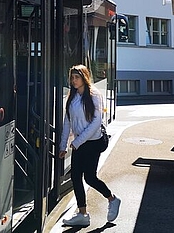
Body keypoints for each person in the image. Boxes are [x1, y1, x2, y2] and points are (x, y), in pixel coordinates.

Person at [59, 64, 121, 227]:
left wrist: (77, 142)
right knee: (75, 177)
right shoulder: (71, 97)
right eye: (72, 77)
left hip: (93, 142)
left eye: (76, 77)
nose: (73, 80)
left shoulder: (94, 95)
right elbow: (67, 122)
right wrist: (62, 145)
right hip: (80, 143)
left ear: (84, 78)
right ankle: (83, 214)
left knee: (90, 178)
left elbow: (96, 122)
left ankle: (112, 199)